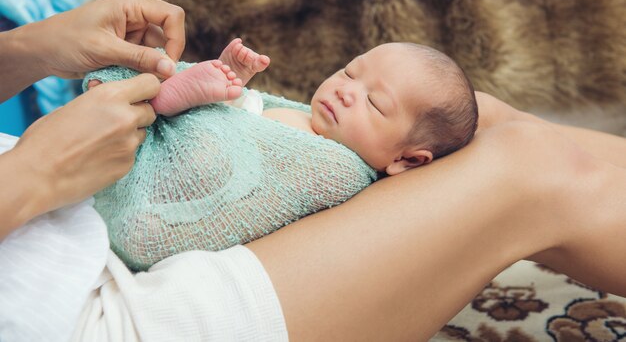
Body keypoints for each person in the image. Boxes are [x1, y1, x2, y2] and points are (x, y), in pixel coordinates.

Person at [0, 0, 624, 342]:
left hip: (61, 227)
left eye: (369, 95)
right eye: (351, 73)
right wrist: (34, 174)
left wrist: (30, 47)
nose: (347, 87)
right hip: (86, 308)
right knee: (537, 168)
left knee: (475, 114)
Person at [85, 40, 479, 270]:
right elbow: (253, 111)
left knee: (206, 156)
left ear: (407, 160)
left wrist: (217, 109)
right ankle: (164, 99)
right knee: (173, 78)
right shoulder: (306, 116)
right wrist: (231, 83)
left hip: (185, 185)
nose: (346, 90)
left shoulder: (339, 171)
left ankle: (160, 104)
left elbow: (251, 187)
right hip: (210, 133)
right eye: (350, 72)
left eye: (374, 103)